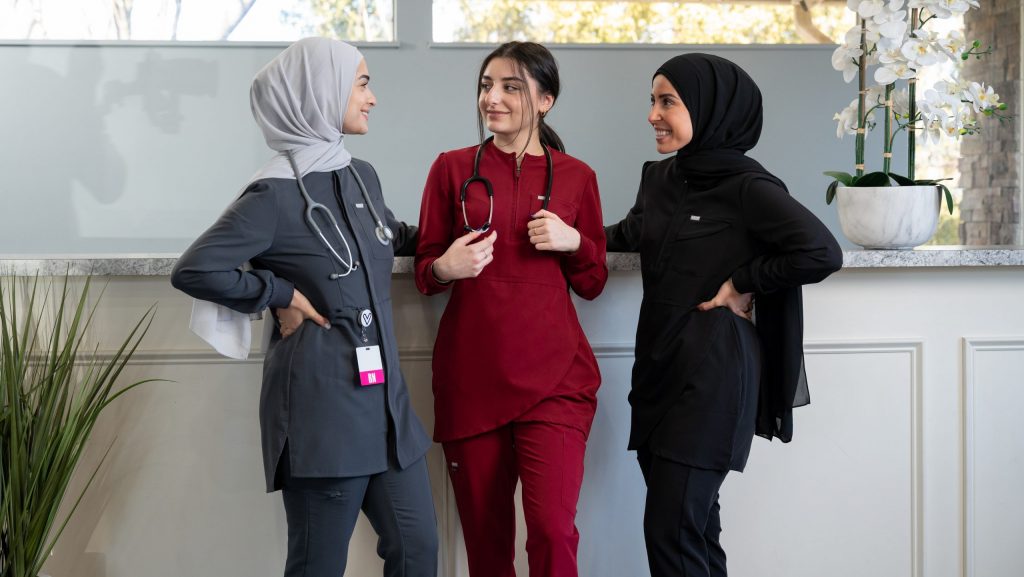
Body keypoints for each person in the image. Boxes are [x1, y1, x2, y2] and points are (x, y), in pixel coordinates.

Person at [170, 37, 437, 577]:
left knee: (418, 552)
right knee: (318, 566)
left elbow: (387, 236)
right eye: (362, 84)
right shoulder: (271, 195)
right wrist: (279, 294)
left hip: (388, 412)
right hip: (324, 416)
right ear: (320, 92)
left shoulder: (361, 175)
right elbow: (194, 269)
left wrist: (449, 248)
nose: (373, 98)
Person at [604, 53, 843, 577]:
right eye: (652, 100)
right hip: (658, 371)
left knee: (672, 531)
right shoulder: (660, 178)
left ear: (711, 109)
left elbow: (821, 252)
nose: (652, 114)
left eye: (668, 101)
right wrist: (566, 237)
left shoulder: (748, 187)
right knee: (693, 529)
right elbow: (628, 235)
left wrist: (743, 281)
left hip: (713, 377)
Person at [414, 41, 607, 577]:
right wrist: (444, 268)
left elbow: (592, 283)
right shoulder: (451, 170)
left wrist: (576, 243)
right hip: (472, 380)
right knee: (487, 546)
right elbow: (425, 272)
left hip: (558, 382)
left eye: (510, 87)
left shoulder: (577, 178)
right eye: (486, 86)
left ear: (545, 100)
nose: (491, 98)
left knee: (551, 533)